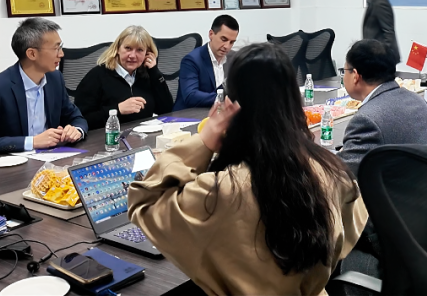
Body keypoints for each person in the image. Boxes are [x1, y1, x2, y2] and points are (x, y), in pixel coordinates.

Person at [128, 43, 368, 295]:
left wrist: (203, 142)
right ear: (293, 101)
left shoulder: (220, 192)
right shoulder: (331, 170)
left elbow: (146, 201)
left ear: (232, 106)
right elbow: (347, 236)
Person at [0, 18, 87, 155]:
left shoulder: (55, 79)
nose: (61, 54)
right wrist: (32, 142)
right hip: (13, 163)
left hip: (50, 159)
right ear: (32, 54)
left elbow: (76, 117)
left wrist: (76, 130)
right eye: (56, 48)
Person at [337, 39, 427, 176]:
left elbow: (342, 173)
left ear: (355, 76)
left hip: (402, 188)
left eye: (344, 71)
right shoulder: (417, 100)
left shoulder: (366, 120)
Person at [74, 25, 173, 130]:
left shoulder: (147, 75)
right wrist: (118, 110)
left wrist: (154, 72)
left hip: (143, 136)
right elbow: (82, 120)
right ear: (117, 49)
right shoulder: (97, 76)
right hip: (108, 137)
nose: (132, 55)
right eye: (128, 48)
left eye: (140, 50)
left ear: (147, 53)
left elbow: (166, 110)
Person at [174, 14, 238, 111]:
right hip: (189, 115)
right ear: (211, 34)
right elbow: (191, 96)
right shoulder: (192, 60)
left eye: (231, 42)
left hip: (220, 113)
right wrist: (223, 98)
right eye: (224, 39)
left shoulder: (234, 58)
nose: (227, 46)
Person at [360, 0, 400, 66]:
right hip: (375, 56)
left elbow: (388, 33)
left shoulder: (380, 3)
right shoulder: (373, 1)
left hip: (381, 59)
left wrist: (381, 58)